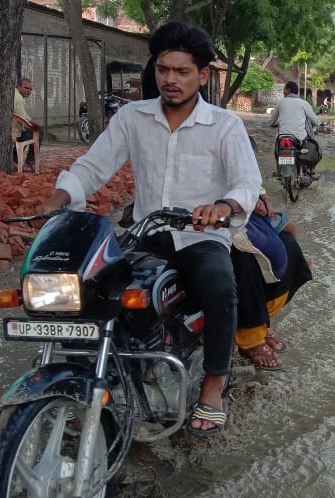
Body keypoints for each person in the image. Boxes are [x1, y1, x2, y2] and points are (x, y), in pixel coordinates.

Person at [39, 21, 262, 438]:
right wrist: (60, 197)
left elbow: (247, 184)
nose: (171, 80)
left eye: (182, 72)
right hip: (146, 234)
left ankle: (214, 383)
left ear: (203, 75)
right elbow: (93, 166)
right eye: (164, 70)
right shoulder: (132, 117)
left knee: (220, 286)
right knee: (93, 286)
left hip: (200, 237)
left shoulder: (225, 125)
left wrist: (223, 206)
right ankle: (92, 375)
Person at [231, 189, 313, 370]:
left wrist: (260, 197)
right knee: (245, 257)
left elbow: (246, 173)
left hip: (239, 210)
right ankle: (250, 335)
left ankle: (261, 322)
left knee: (288, 238)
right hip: (209, 219)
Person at [269, 81, 322, 176]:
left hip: (283, 137)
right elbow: (316, 121)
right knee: (310, 147)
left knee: (277, 150)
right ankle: (310, 170)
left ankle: (278, 170)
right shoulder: (303, 103)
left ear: (288, 90)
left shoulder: (280, 102)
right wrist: (318, 124)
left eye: (284, 89)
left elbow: (272, 121)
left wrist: (274, 124)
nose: (283, 92)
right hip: (299, 137)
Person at [13, 77, 40, 170]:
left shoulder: (16, 94)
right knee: (38, 133)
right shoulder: (19, 99)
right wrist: (35, 126)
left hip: (14, 128)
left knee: (28, 132)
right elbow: (24, 119)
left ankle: (15, 160)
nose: (28, 91)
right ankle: (29, 163)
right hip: (14, 131)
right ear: (19, 87)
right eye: (26, 88)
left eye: (30, 89)